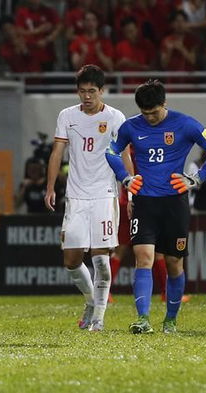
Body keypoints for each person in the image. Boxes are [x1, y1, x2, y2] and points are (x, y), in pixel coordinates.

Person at [105, 79, 206, 334]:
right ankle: (143, 319)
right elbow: (111, 151)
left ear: (165, 104)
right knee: (144, 258)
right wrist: (125, 178)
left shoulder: (185, 123)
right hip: (145, 202)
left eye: (154, 112)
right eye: (145, 113)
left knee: (174, 263)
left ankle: (170, 320)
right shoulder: (130, 126)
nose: (149, 118)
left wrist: (197, 177)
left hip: (175, 203)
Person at [44, 65, 127, 332]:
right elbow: (57, 153)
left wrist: (130, 186)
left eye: (92, 91)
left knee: (101, 259)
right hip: (76, 196)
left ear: (102, 91)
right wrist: (50, 187)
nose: (87, 96)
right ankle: (91, 301)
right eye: (82, 91)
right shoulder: (67, 116)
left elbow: (124, 155)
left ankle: (99, 319)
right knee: (71, 260)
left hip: (104, 194)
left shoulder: (115, 117)